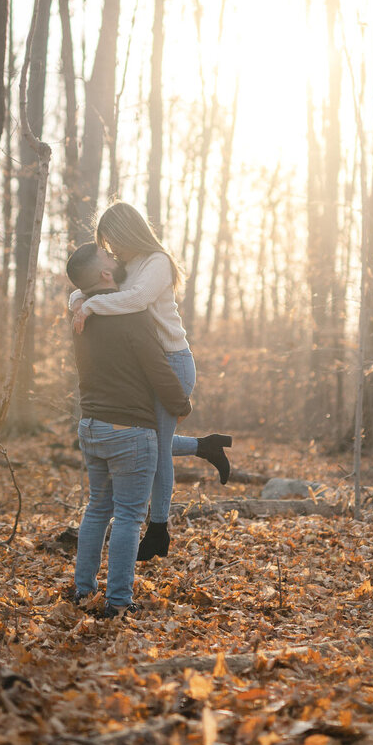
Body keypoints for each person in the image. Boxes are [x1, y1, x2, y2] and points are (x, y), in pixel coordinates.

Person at [69, 201, 232, 561]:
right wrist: (77, 299)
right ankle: (206, 446)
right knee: (147, 440)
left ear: (128, 232)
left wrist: (90, 307)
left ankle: (159, 529)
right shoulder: (126, 264)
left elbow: (138, 300)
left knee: (156, 450)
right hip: (149, 362)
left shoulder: (157, 262)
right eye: (106, 244)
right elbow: (95, 288)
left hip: (173, 362)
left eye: (113, 240)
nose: (112, 250)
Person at [66, 242, 192, 618]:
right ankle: (118, 601)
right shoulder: (131, 315)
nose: (116, 259)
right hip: (129, 431)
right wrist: (182, 405)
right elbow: (157, 368)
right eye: (109, 258)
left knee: (96, 510)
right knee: (127, 518)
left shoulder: (79, 315)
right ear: (105, 274)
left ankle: (81, 589)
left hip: (90, 426)